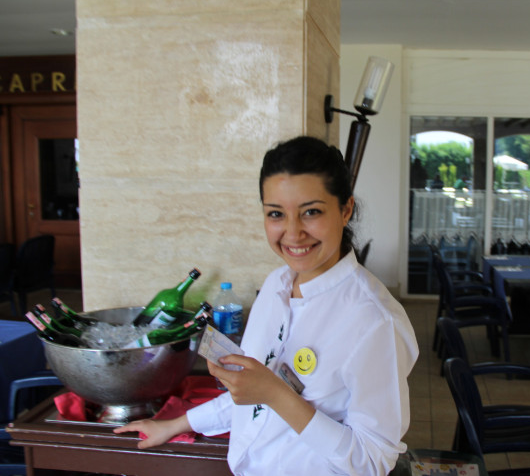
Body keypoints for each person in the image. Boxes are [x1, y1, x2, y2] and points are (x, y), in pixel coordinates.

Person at [114, 136, 419, 476]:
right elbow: (253, 391)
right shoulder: (276, 286)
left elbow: (373, 459)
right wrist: (177, 424)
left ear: (345, 210)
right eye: (276, 214)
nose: (293, 233)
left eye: (311, 212)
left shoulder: (375, 321)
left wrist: (277, 395)